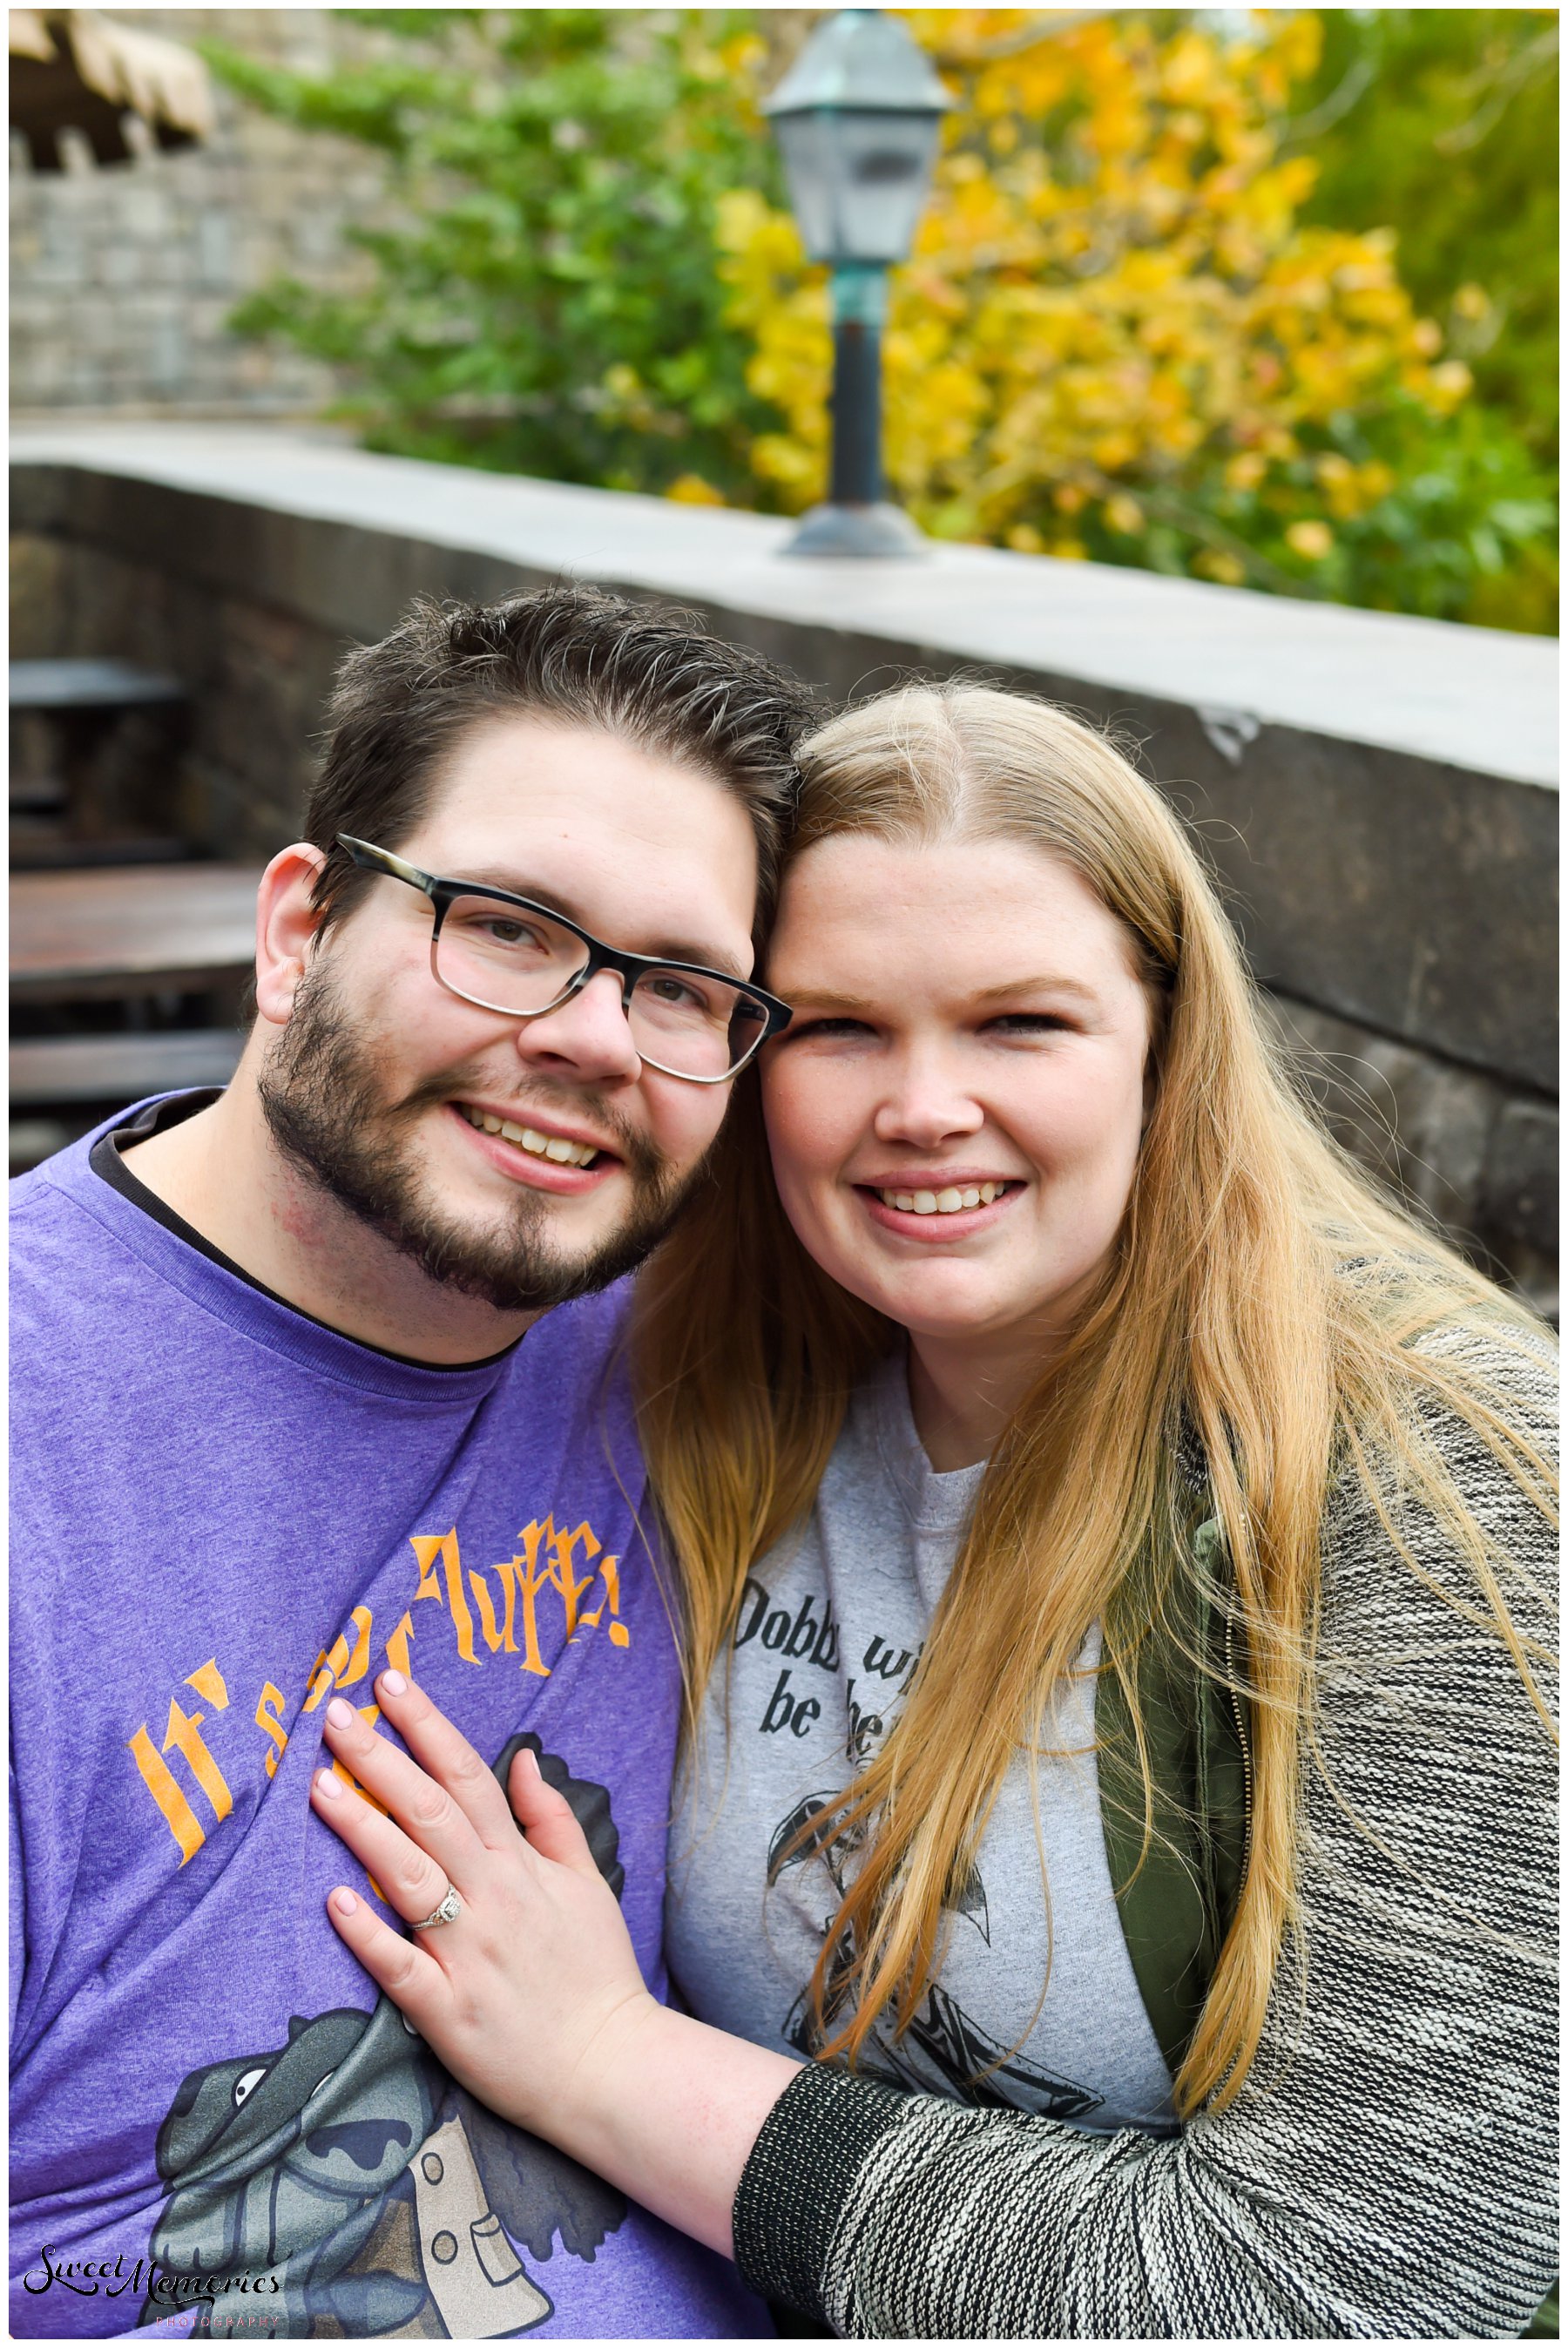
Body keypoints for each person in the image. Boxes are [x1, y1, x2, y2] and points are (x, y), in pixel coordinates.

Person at [305, 684, 1557, 2339]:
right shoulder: (710, 1372)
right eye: (835, 1028)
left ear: (1167, 1049)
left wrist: (614, 2066)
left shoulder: (1430, 1471)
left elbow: (1384, 2279)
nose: (923, 1108)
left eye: (1020, 1025)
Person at [8, 584, 820, 2341]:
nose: (597, 1037)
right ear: (298, 927)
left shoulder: (698, 1345)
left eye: (680, 985)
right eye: (510, 926)